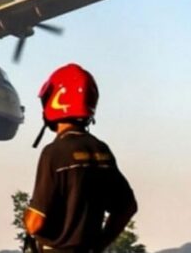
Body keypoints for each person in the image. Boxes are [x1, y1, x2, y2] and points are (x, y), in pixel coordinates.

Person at [23, 63, 137, 253]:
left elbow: (35, 223)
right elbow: (127, 207)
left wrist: (27, 217)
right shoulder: (101, 151)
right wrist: (100, 244)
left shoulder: (54, 153)